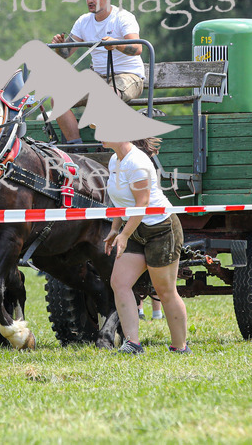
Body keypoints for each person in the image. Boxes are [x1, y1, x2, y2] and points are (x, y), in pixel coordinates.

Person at [103, 138, 188, 354]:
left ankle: (180, 347)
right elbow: (121, 202)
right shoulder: (115, 160)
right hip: (136, 228)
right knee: (119, 283)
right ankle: (133, 344)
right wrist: (115, 229)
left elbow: (141, 204)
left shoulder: (137, 162)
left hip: (161, 229)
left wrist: (124, 235)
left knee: (165, 291)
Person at [50, 0, 144, 145]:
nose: (89, 1)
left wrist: (116, 44)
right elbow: (66, 53)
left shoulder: (123, 17)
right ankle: (76, 148)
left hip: (128, 77)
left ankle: (110, 143)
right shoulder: (83, 22)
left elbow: (137, 48)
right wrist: (59, 45)